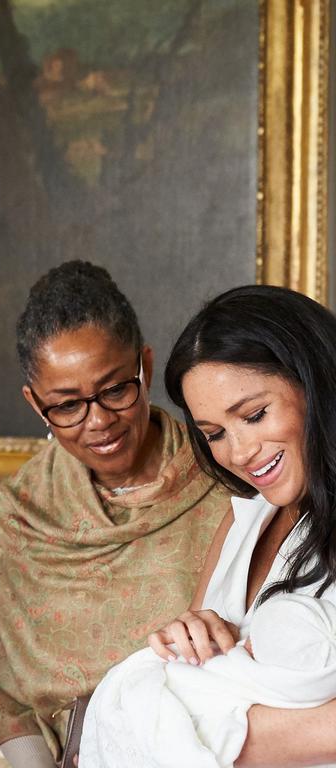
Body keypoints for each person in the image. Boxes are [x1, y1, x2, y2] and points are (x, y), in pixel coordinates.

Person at [0, 261, 232, 768]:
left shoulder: (225, 479)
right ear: (34, 404)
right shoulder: (24, 511)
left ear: (146, 367)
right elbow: (3, 687)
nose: (99, 423)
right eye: (67, 406)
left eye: (116, 389)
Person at [145, 284, 336, 766]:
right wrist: (197, 633)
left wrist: (210, 733)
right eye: (214, 434)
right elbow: (188, 678)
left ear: (314, 381)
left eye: (254, 415)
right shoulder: (243, 518)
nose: (239, 452)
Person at [83, 593, 336, 767]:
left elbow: (192, 746)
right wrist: (192, 636)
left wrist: (123, 736)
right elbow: (190, 644)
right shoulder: (243, 518)